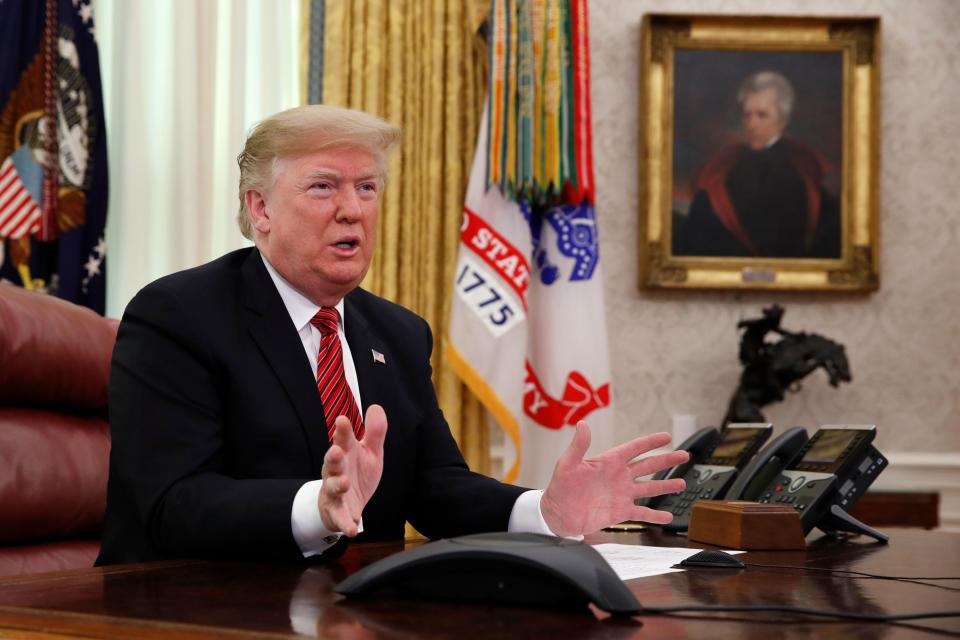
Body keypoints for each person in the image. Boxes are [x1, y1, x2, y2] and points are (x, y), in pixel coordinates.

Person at [96, 105, 688, 565]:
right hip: (188, 607)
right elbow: (172, 505)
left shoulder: (397, 333)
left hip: (347, 610)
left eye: (368, 188)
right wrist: (316, 508)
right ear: (261, 209)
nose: (353, 209)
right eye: (324, 187)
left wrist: (544, 509)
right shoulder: (179, 315)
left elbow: (434, 488)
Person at [674, 71, 840, 259]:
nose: (751, 124)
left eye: (761, 115)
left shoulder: (803, 171)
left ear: (782, 122)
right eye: (747, 115)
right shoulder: (723, 167)